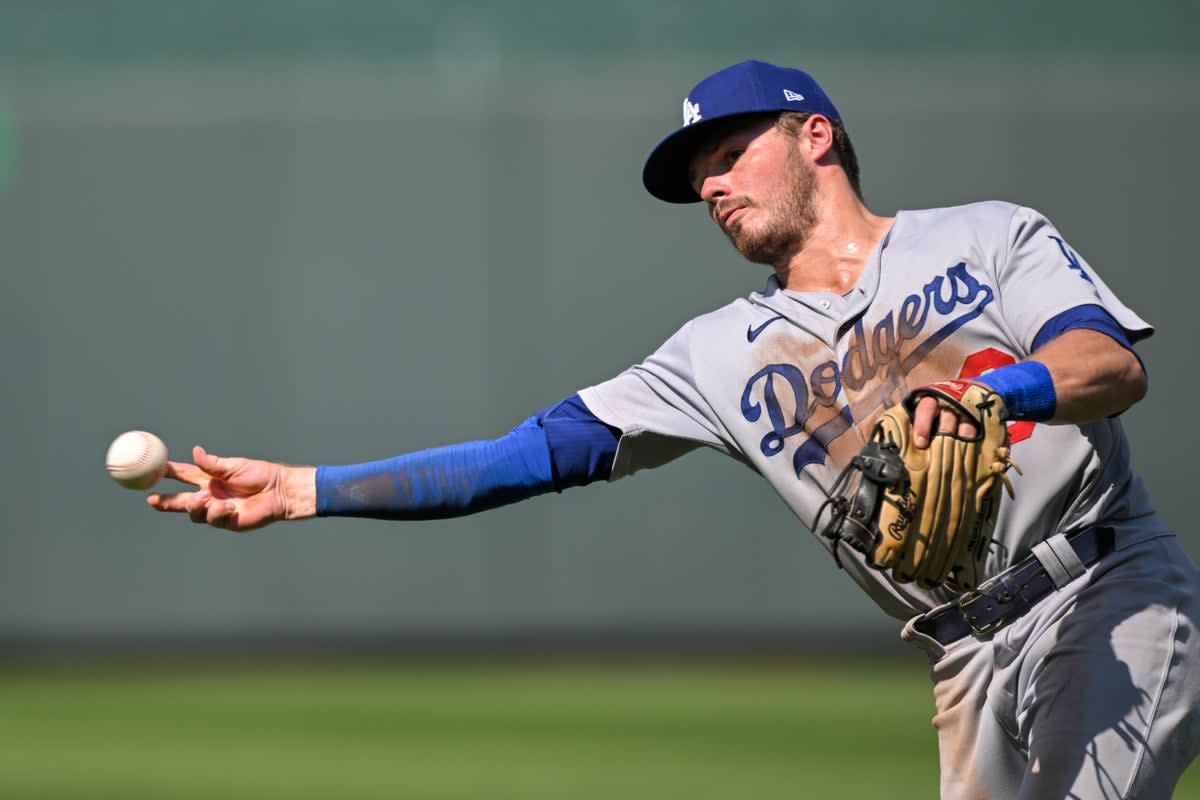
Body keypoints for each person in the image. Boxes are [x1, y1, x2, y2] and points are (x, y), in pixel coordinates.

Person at [149, 60, 1200, 798]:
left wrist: (1000, 394)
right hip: (961, 657)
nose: (711, 184)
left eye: (732, 152)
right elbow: (526, 457)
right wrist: (306, 488)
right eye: (699, 175)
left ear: (815, 136)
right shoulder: (713, 354)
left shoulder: (985, 234)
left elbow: (1109, 365)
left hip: (1104, 589)